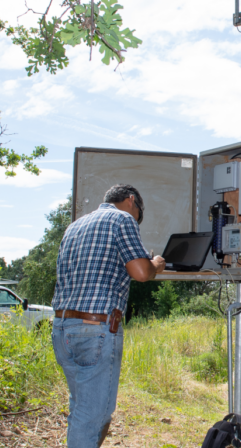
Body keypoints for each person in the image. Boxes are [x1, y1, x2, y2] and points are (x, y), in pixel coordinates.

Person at [51, 184, 166, 447]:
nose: (137, 218)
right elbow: (141, 273)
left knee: (81, 408)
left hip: (62, 327)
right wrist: (155, 264)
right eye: (140, 213)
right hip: (95, 328)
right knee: (93, 415)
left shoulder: (76, 226)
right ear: (131, 200)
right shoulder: (122, 219)